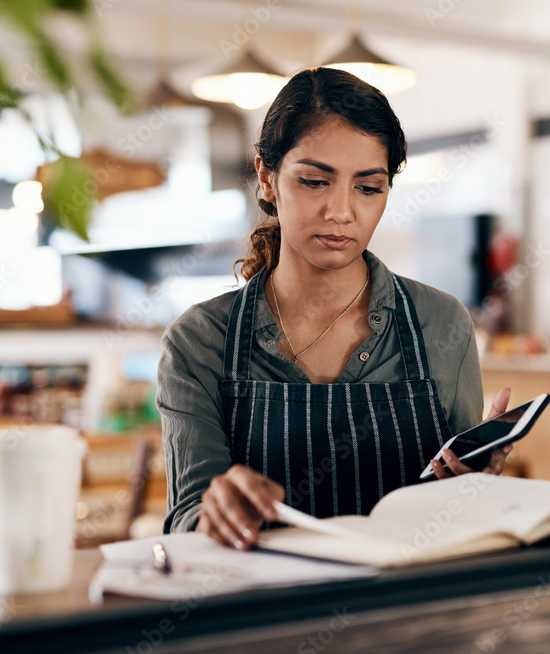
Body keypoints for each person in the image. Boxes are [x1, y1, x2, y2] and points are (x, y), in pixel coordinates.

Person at [157, 67, 513, 550]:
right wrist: (212, 511)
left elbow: (461, 514)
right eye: (314, 181)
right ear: (267, 178)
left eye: (368, 187)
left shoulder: (441, 323)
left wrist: (477, 481)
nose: (341, 211)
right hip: (264, 611)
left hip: (407, 608)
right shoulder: (199, 340)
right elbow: (188, 516)